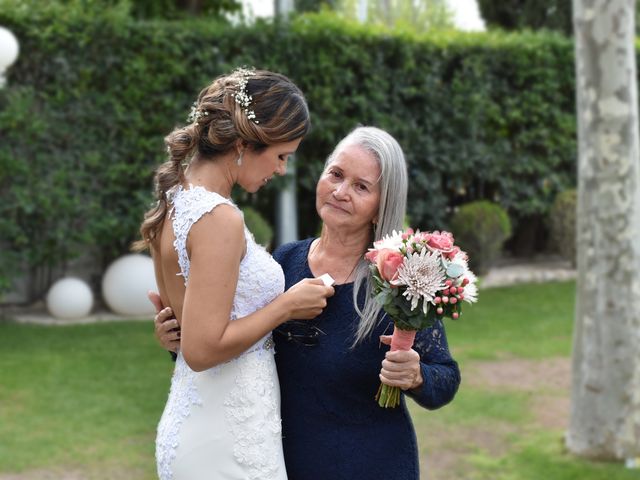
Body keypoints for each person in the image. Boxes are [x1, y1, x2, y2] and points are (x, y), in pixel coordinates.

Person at [153, 126, 461, 479]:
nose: (341, 192)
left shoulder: (397, 283)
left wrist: (418, 375)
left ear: (381, 206)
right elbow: (231, 345)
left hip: (370, 466)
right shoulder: (282, 264)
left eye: (361, 187)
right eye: (336, 175)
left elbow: (446, 377)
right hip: (280, 463)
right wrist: (179, 339)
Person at [136, 68, 334, 480]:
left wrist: (175, 332)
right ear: (243, 145)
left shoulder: (176, 198)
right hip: (225, 441)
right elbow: (203, 349)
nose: (282, 170)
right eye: (281, 156)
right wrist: (285, 306)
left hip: (209, 420)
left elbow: (190, 326)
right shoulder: (218, 218)